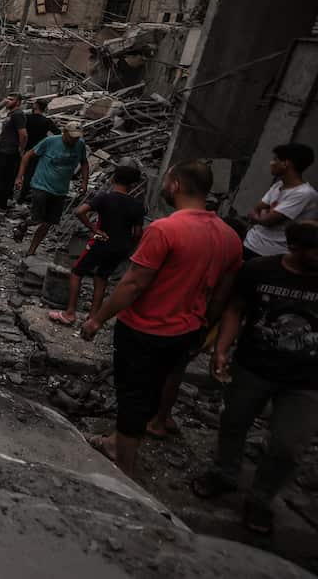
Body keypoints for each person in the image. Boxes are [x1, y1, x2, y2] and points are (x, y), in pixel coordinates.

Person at [80, 160, 243, 478]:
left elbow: (133, 283)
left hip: (145, 328)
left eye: (168, 181)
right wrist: (203, 328)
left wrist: (97, 319)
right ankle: (116, 440)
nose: (166, 186)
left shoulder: (166, 229)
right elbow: (223, 295)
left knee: (131, 394)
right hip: (186, 331)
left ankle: (123, 464)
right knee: (152, 390)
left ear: (177, 185)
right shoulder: (229, 237)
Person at [190, 220, 318, 536]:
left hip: (307, 380)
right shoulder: (260, 271)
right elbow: (236, 309)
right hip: (253, 365)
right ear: (295, 248)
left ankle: (261, 498)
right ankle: (224, 472)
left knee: (288, 445)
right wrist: (221, 348)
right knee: (233, 421)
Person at [50, 166, 145, 327]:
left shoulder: (104, 197)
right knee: (101, 278)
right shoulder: (137, 205)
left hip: (101, 241)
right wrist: (128, 246)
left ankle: (70, 313)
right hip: (120, 247)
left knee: (76, 272)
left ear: (114, 178)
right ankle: (93, 318)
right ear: (132, 184)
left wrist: (93, 228)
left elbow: (80, 211)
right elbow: (137, 233)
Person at [15, 121, 90, 257]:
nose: (74, 140)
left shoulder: (80, 145)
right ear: (64, 132)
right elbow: (27, 156)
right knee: (37, 219)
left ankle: (31, 251)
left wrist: (84, 182)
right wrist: (20, 177)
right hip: (41, 185)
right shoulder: (50, 141)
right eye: (72, 136)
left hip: (61, 190)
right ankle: (25, 224)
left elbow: (84, 162)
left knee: (49, 222)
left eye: (77, 137)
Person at [242, 143, 318, 259]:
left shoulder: (304, 193)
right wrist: (261, 217)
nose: (271, 163)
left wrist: (261, 216)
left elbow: (268, 220)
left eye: (275, 159)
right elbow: (256, 208)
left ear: (285, 163)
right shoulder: (278, 185)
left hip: (270, 254)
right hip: (251, 242)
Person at [18, 99, 56, 204]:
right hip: (40, 151)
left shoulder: (27, 119)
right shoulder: (47, 121)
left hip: (27, 150)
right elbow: (58, 133)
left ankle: (21, 198)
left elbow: (21, 133)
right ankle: (36, 199)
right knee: (38, 175)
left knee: (26, 175)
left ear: (35, 106)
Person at [0, 94, 28, 211]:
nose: (7, 101)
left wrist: (20, 149)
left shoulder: (18, 114)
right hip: (4, 150)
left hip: (10, 152)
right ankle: (5, 200)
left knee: (5, 178)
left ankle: (1, 204)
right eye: (6, 98)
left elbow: (23, 134)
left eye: (11, 100)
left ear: (18, 102)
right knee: (1, 177)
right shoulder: (11, 114)